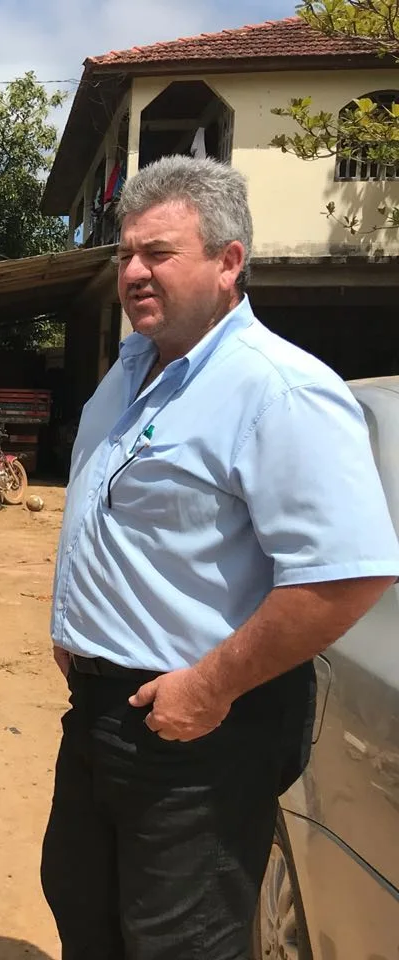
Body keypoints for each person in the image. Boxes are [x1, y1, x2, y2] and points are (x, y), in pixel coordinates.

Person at [41, 156, 399, 959]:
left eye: (158, 253)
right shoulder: (133, 370)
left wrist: (210, 685)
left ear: (229, 261)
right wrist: (78, 625)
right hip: (103, 711)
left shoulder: (277, 390)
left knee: (180, 942)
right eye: (127, 253)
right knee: (81, 905)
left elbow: (348, 573)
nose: (133, 272)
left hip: (202, 729)